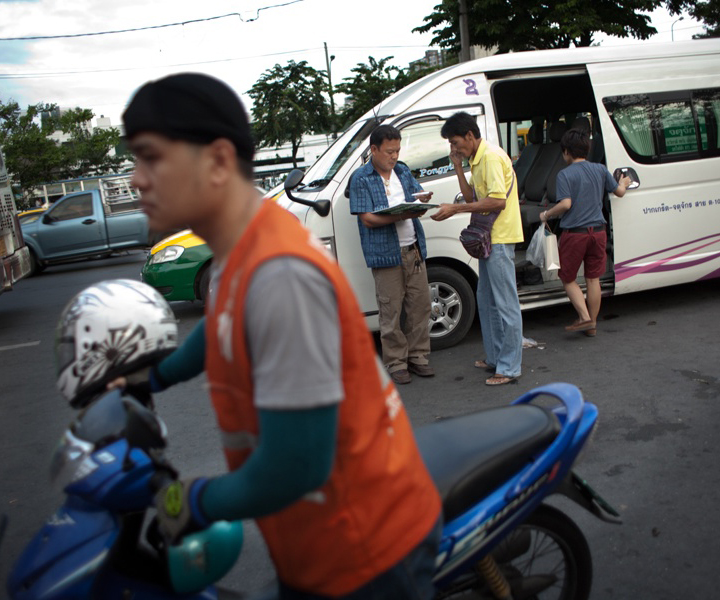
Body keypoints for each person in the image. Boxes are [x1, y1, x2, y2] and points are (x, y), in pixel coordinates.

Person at [121, 73, 442, 599]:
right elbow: (220, 327)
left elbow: (294, 468)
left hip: (365, 554)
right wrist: (154, 373)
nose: (136, 179)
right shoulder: (235, 253)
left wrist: (190, 499)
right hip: (312, 543)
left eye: (151, 157)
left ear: (219, 161)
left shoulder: (281, 277)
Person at [431, 111, 523, 386]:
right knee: (487, 301)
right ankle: (495, 358)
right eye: (450, 144)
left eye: (455, 142)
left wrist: (455, 208)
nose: (454, 147)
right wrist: (458, 167)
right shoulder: (476, 160)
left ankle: (509, 367)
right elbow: (472, 196)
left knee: (505, 304)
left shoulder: (492, 157)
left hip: (500, 238)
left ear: (470, 136)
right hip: (488, 238)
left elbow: (496, 202)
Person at [349, 124, 434, 386]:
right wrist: (403, 214)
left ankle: (418, 356)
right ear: (373, 150)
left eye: (397, 150)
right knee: (391, 310)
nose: (394, 156)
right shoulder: (361, 178)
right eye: (389, 151)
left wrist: (422, 200)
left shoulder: (403, 171)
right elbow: (367, 220)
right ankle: (396, 361)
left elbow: (416, 195)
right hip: (386, 254)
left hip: (413, 248)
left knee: (420, 306)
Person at [539, 128, 631, 338]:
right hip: (598, 232)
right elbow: (619, 192)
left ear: (566, 153)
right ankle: (592, 325)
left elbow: (566, 204)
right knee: (593, 279)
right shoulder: (600, 169)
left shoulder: (565, 174)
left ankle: (584, 316)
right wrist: (624, 182)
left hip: (575, 234)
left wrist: (546, 214)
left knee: (568, 278)